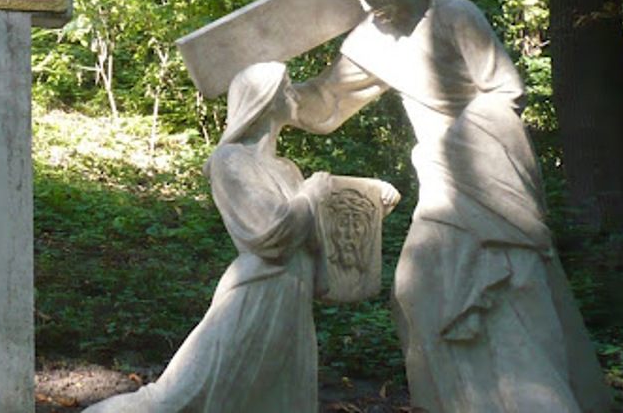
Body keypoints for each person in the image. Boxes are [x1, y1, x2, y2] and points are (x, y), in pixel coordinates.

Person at [294, 0, 613, 413]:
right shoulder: (369, 43)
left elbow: (506, 91)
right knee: (415, 289)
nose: (370, 4)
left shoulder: (455, 15)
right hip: (441, 179)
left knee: (509, 287)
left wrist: (454, 143)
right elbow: (329, 100)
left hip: (486, 169)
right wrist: (271, 100)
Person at [84, 61, 400, 413]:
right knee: (181, 396)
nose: (294, 93)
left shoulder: (288, 169)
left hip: (293, 295)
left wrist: (371, 201)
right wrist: (313, 195)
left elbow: (316, 233)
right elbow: (271, 235)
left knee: (280, 400)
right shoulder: (230, 160)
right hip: (257, 291)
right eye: (286, 87)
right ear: (263, 100)